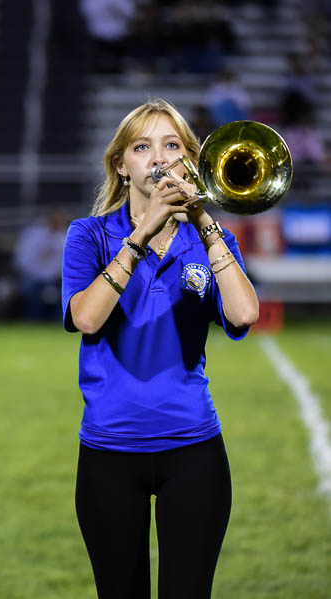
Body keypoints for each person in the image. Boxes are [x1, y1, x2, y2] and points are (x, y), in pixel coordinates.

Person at [62, 98, 259, 598]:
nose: (159, 158)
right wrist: (142, 232)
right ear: (120, 165)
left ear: (190, 161)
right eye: (142, 147)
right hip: (109, 451)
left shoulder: (211, 240)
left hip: (194, 450)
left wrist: (205, 221)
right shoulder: (89, 235)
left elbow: (243, 314)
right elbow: (86, 318)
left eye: (172, 145)